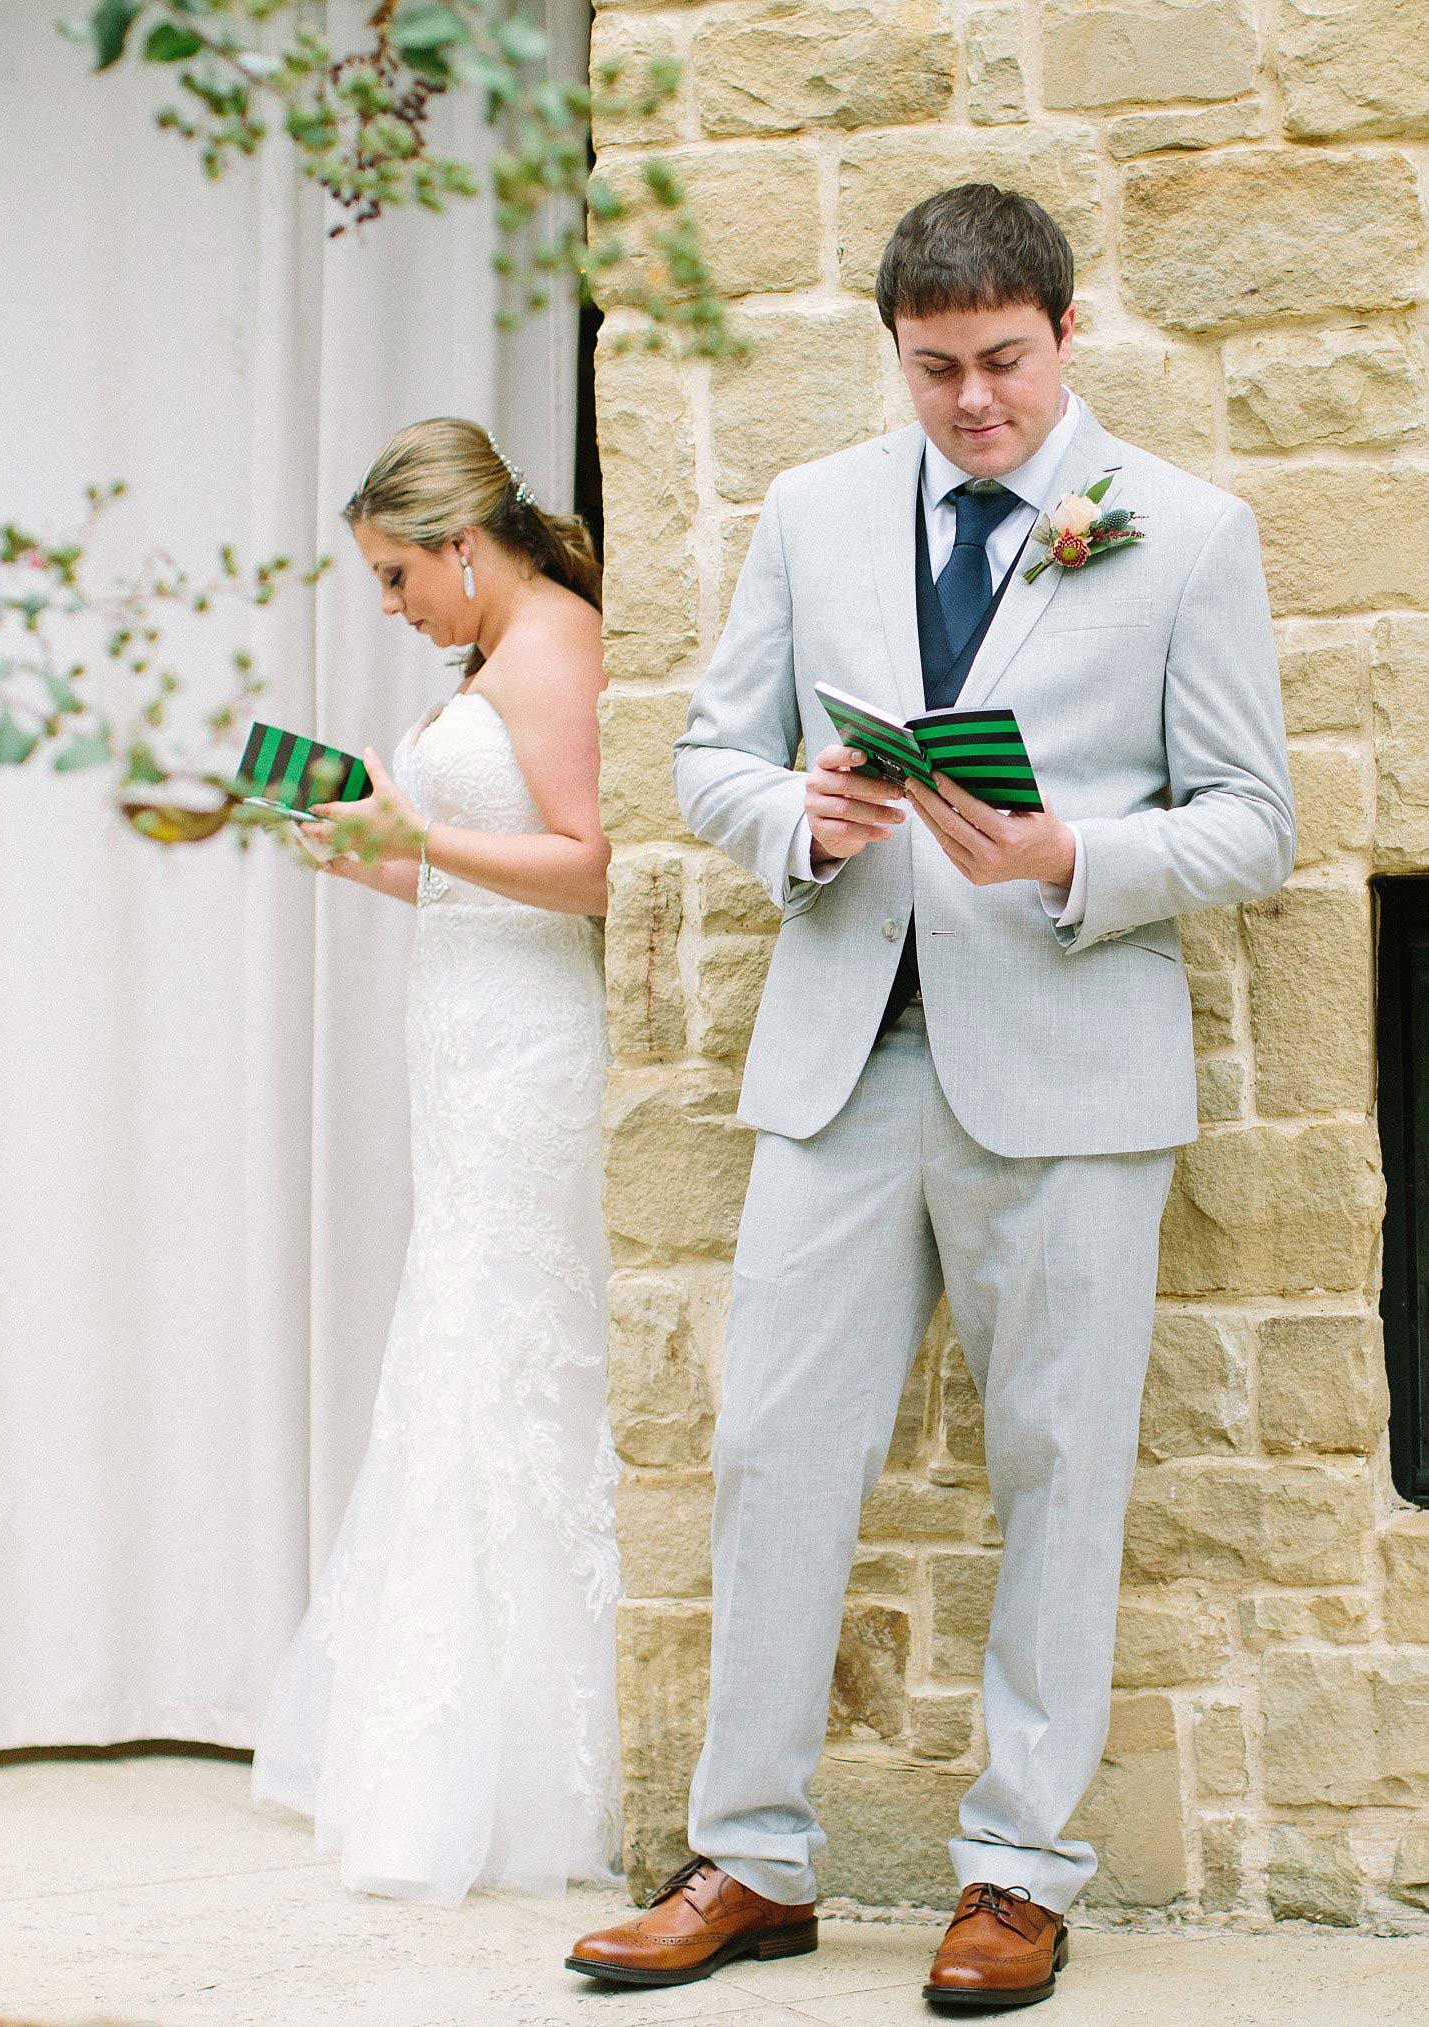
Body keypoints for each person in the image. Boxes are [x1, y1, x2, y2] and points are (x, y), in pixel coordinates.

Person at [566, 185, 1293, 2005]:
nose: (973, 402)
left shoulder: (1188, 534)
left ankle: (1019, 1871)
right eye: (935, 367)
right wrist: (789, 820)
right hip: (839, 1062)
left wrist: (1071, 856)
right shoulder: (812, 515)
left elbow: (1255, 826)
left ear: (1065, 336)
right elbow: (707, 754)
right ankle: (750, 1862)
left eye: (1004, 364)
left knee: (1059, 1466)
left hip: (1063, 1068)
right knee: (769, 1459)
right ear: (892, 351)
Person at [251, 418, 622, 1904]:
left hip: (533, 1054)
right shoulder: (489, 661)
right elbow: (477, 868)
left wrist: (423, 836)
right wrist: (365, 848)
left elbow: (595, 866)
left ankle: (534, 1767)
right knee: (457, 1351)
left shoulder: (554, 648)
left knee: (509, 1353)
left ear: (466, 546)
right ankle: (433, 1728)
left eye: (401, 577)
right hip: (465, 1041)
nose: (394, 607)